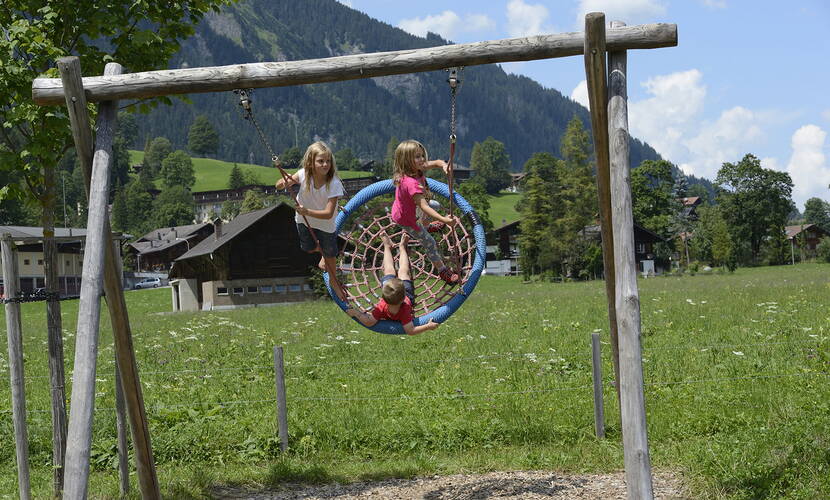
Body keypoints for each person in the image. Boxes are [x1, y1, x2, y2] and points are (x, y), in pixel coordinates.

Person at [276, 141, 346, 301]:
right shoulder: (303, 174)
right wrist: (282, 183)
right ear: (311, 163)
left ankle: (335, 283)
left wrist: (307, 211)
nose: (325, 164)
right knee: (308, 247)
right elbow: (279, 185)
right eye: (321, 161)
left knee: (331, 254)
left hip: (326, 224)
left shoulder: (334, 183)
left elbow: (328, 214)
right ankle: (322, 255)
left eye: (328, 161)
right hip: (303, 221)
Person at [391, 139, 460, 285]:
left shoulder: (417, 168)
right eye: (417, 157)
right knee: (429, 241)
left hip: (412, 211)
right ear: (406, 160)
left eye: (422, 155)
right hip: (406, 219)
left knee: (435, 204)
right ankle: (442, 271)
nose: (422, 159)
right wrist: (444, 220)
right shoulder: (410, 183)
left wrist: (444, 166)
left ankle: (427, 226)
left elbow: (436, 162)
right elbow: (424, 207)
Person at [346, 234, 439, 335]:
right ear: (403, 298)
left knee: (393, 270)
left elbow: (369, 321)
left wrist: (356, 313)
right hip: (406, 291)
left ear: (383, 297)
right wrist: (428, 326)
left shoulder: (381, 307)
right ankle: (401, 247)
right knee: (401, 271)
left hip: (395, 288)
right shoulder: (404, 311)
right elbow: (410, 330)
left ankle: (388, 246)